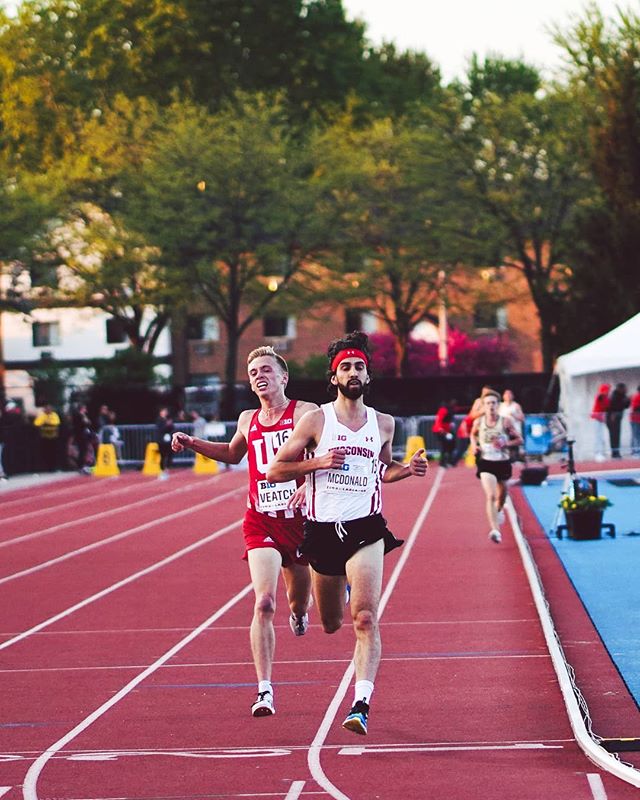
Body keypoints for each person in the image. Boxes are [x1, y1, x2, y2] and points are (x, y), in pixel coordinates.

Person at [266, 331, 429, 735]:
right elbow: (275, 470)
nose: (353, 373)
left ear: (368, 376)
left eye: (359, 367)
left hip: (366, 528)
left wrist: (407, 470)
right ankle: (316, 602)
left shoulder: (384, 424)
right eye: (346, 368)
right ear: (334, 377)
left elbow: (383, 470)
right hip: (322, 531)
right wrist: (316, 463)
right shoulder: (316, 420)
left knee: (366, 618)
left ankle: (361, 703)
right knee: (333, 623)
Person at [171, 346, 318, 718]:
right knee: (264, 601)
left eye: (266, 369)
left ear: (284, 377)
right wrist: (193, 444)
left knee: (298, 602)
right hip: (260, 520)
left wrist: (310, 484)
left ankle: (300, 614)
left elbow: (330, 454)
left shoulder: (306, 414)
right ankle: (264, 690)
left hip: (301, 524)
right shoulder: (246, 418)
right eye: (252, 372)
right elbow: (234, 455)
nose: (258, 376)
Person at [469, 389, 523, 545]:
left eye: (493, 403)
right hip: (486, 462)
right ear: (484, 406)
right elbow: (472, 435)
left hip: (503, 462)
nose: (491, 406)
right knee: (491, 496)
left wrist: (506, 443)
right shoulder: (479, 422)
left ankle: (498, 511)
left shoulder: (505, 421)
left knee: (502, 495)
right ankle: (495, 530)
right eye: (487, 403)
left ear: (498, 405)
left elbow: (519, 440)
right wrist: (474, 446)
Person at [33, 403, 62, 472]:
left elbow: (56, 422)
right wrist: (45, 420)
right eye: (47, 408)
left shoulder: (54, 415)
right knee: (46, 453)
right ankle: (47, 468)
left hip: (53, 437)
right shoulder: (42, 415)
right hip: (45, 438)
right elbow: (36, 423)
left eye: (50, 408)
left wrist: (46, 421)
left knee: (54, 453)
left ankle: (54, 467)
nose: (48, 410)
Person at [499, 389, 525, 462]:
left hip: (514, 430)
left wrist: (514, 415)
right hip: (503, 430)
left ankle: (516, 459)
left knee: (515, 445)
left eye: (510, 394)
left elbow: (522, 418)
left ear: (512, 396)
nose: (508, 396)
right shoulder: (500, 406)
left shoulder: (516, 405)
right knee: (503, 444)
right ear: (503, 396)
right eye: (506, 394)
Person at [606, 383, 630, 459]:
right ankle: (614, 452)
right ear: (620, 389)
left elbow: (626, 406)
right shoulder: (614, 396)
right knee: (613, 436)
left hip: (618, 418)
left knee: (617, 435)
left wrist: (628, 400)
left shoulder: (623, 396)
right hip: (612, 419)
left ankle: (617, 452)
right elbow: (614, 406)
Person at [432, 399, 456, 468]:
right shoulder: (443, 410)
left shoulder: (451, 409)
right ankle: (442, 462)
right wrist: (441, 430)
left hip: (446, 431)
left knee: (451, 445)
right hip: (439, 431)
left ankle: (449, 461)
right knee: (443, 446)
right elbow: (438, 420)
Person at [590, 383, 610, 462]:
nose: (608, 392)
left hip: (601, 418)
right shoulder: (600, 396)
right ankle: (598, 453)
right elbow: (599, 397)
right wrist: (602, 393)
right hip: (597, 418)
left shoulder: (605, 397)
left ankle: (601, 452)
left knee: (602, 436)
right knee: (598, 436)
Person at [155, 407, 174, 480]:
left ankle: (167, 469)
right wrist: (167, 425)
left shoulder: (168, 419)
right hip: (161, 441)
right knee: (162, 456)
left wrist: (170, 425)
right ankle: (162, 471)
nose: (165, 412)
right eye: (164, 411)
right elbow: (161, 429)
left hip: (168, 440)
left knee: (170, 455)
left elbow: (172, 428)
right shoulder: (159, 420)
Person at [631, 386, 640, 458]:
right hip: (635, 419)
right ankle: (635, 451)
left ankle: (635, 450)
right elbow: (635, 407)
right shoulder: (637, 396)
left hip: (637, 419)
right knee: (636, 435)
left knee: (636, 435)